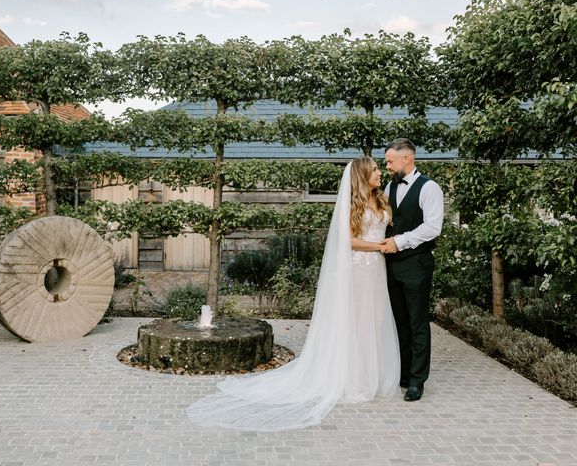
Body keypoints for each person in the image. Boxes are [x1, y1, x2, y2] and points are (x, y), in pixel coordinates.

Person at [187, 156, 400, 432]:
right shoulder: (353, 204)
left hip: (376, 271)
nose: (379, 172)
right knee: (356, 322)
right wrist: (380, 247)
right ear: (362, 175)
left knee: (375, 320)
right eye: (374, 169)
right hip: (359, 270)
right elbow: (349, 241)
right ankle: (351, 378)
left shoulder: (381, 199)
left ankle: (371, 375)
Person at [380, 138, 444, 402]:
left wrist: (399, 241)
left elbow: (432, 227)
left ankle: (417, 381)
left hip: (416, 264)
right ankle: (403, 374)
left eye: (389, 161)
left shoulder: (430, 188)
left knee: (417, 323)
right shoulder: (388, 187)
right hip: (390, 266)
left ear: (407, 158)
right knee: (399, 323)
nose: (386, 166)